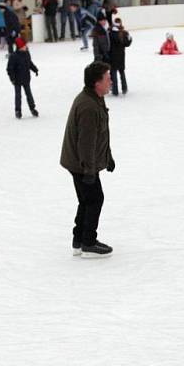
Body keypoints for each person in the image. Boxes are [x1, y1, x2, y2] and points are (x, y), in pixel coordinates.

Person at [59, 62, 115, 258]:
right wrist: (90, 171)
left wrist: (107, 157)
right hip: (81, 164)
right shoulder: (88, 106)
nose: (111, 81)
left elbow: (99, 135)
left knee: (86, 200)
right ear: (96, 83)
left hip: (81, 161)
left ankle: (79, 240)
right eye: (107, 78)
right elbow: (86, 143)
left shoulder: (94, 99)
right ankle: (88, 242)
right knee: (94, 199)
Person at [6, 38, 39, 119]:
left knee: (29, 94)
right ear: (20, 47)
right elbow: (9, 69)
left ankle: (32, 108)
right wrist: (12, 79)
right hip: (17, 80)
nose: (26, 47)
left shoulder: (27, 53)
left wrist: (35, 69)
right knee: (18, 96)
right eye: (24, 46)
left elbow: (29, 63)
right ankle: (18, 110)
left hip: (26, 78)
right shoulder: (14, 56)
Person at [109, 18, 132, 96]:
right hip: (121, 55)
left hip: (112, 55)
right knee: (121, 72)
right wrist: (130, 39)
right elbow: (127, 43)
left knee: (114, 72)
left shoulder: (110, 33)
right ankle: (124, 88)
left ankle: (115, 91)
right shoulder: (124, 33)